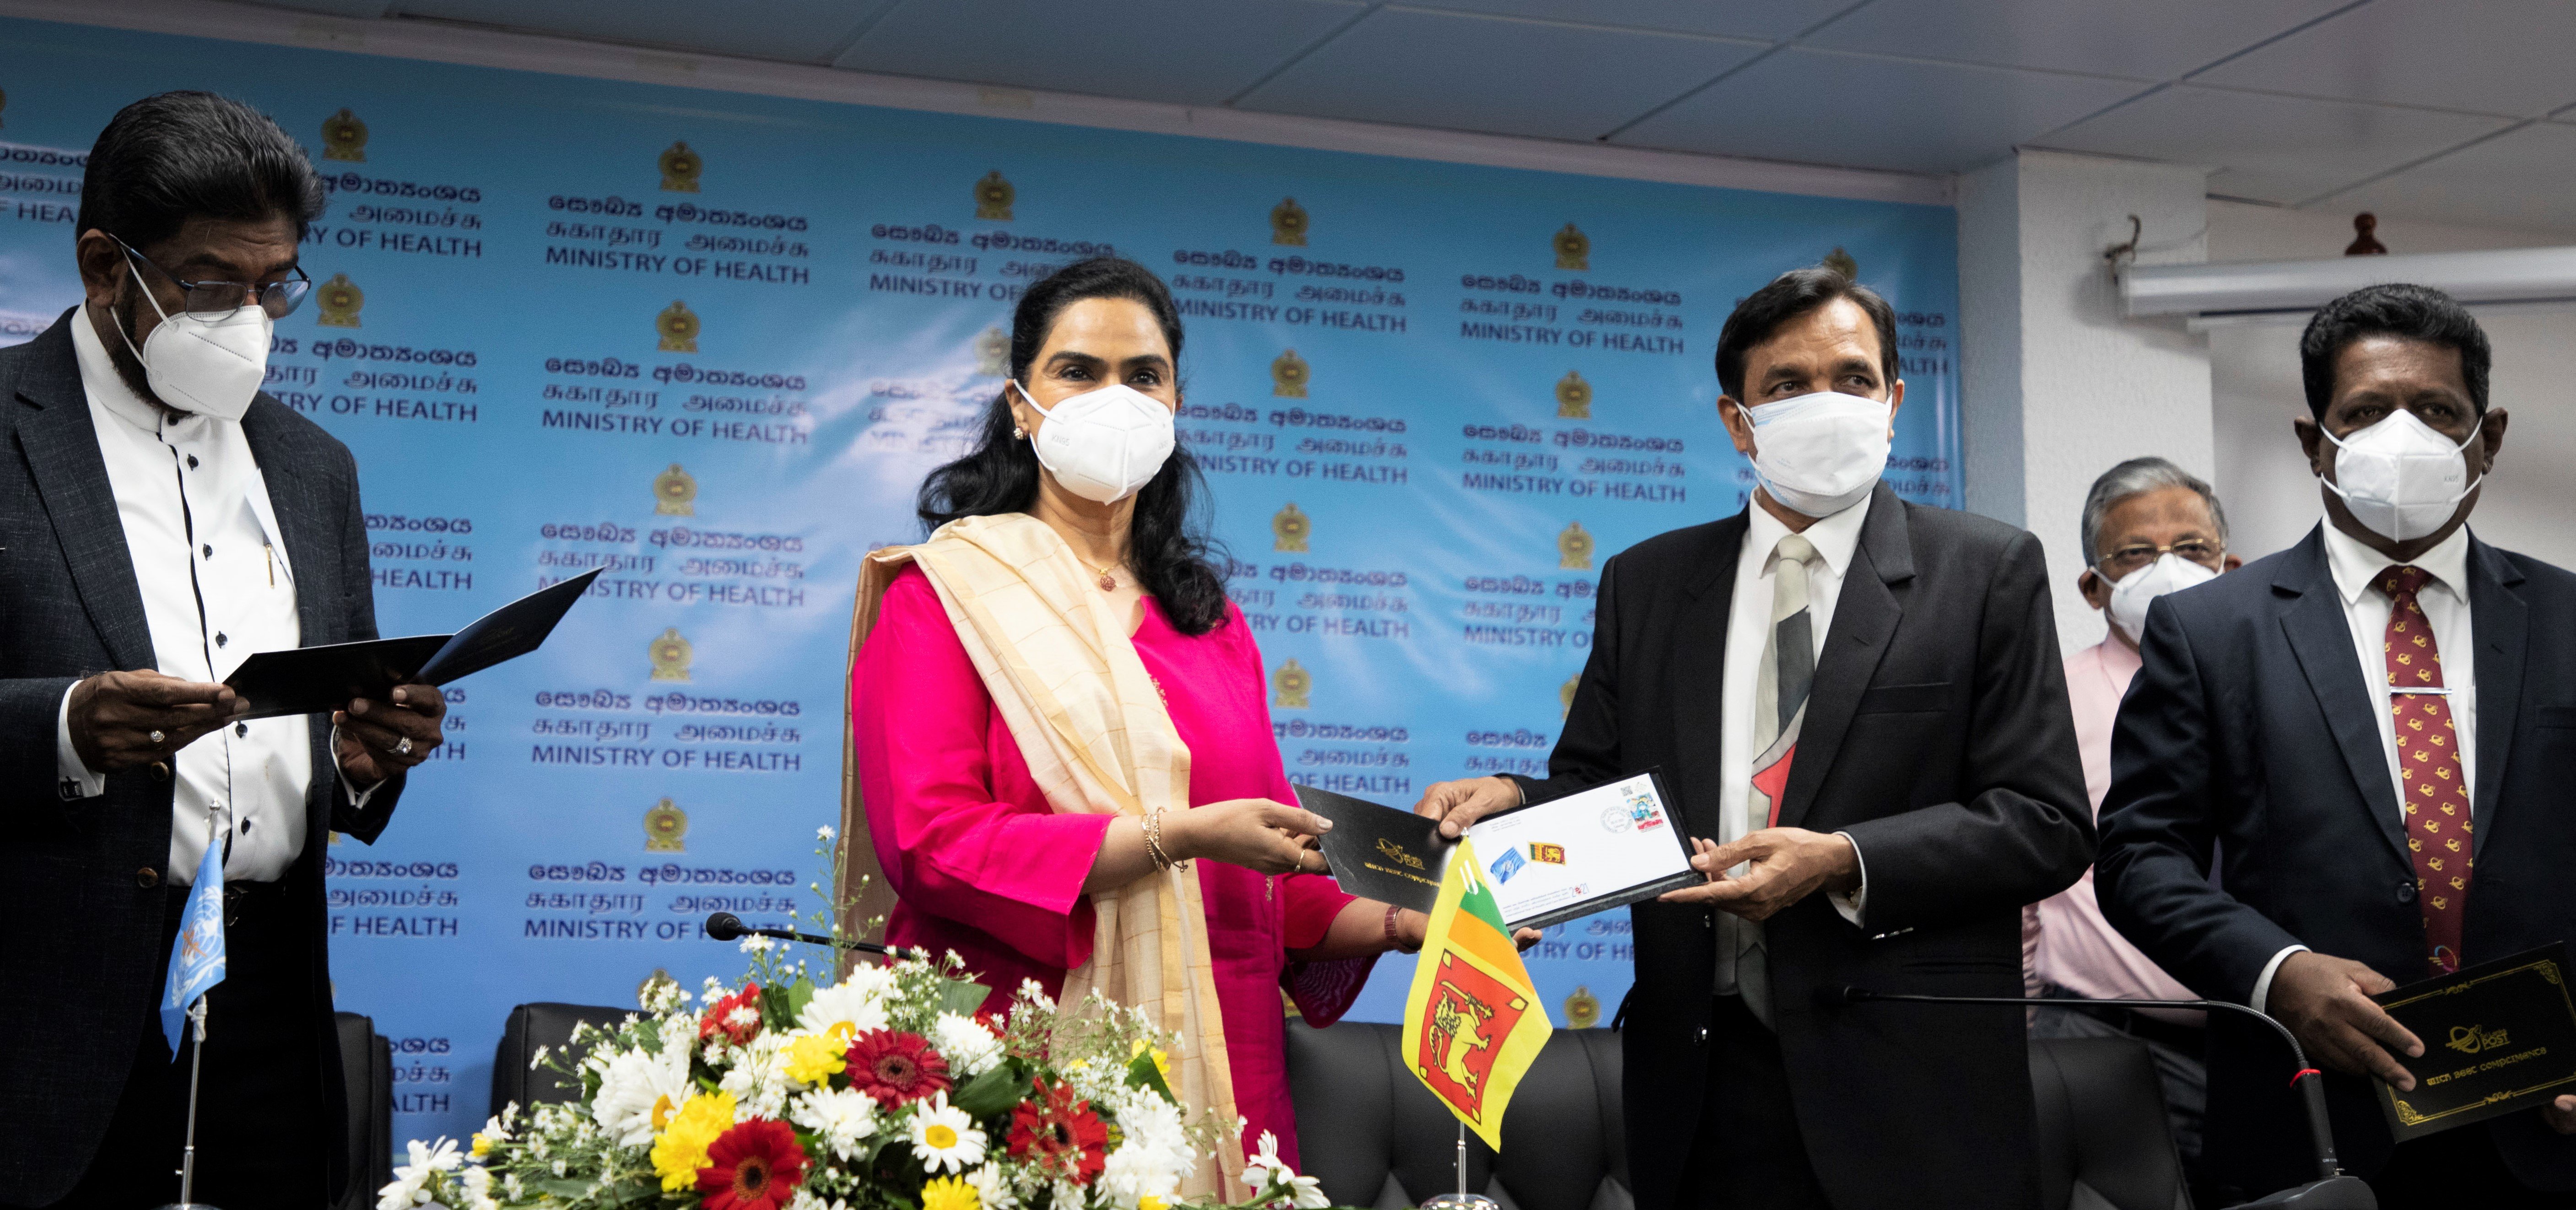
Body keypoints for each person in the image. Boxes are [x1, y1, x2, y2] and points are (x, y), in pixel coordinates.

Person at [1415, 266, 2093, 1210]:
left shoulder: (1985, 570)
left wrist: (1843, 858)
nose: (1827, 403)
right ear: (1739, 422)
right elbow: (1606, 793)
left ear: (1894, 402)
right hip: (1703, 1082)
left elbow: (2044, 822)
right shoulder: (1648, 583)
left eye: (1852, 379)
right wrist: (1514, 801)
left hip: (1913, 1087)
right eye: (1788, 385)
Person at [844, 256, 1431, 1193]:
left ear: (1175, 405)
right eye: (1078, 372)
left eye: (1142, 376)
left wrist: (1409, 917)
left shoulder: (1208, 622)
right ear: (1020, 404)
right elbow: (932, 843)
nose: (1113, 399)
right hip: (1019, 1066)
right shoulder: (943, 599)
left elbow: (1267, 871)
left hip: (1223, 1069)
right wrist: (1175, 836)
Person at [0, 92, 446, 1210]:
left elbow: (335, 726)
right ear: (105, 266)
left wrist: (361, 758)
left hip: (268, 1002)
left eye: (274, 284)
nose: (249, 317)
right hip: (47, 1014)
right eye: (209, 283)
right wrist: (64, 726)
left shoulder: (314, 465)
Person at [2098, 283, 2576, 1205]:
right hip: (2311, 1119)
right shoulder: (2211, 631)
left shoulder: (2566, 617)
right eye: (2364, 412)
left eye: (2437, 411)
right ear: (2312, 441)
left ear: (2489, 437)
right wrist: (2274, 972)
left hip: (2543, 1126)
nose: (2403, 436)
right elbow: (2136, 859)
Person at [2023, 456, 2242, 1183]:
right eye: (2135, 554)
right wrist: (2019, 1032)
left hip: (2269, 1040)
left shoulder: (2277, 688)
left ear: (2230, 567)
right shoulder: (2050, 703)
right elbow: (2021, 878)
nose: (2166, 569)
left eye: (2191, 549)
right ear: (2092, 586)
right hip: (2103, 1041)